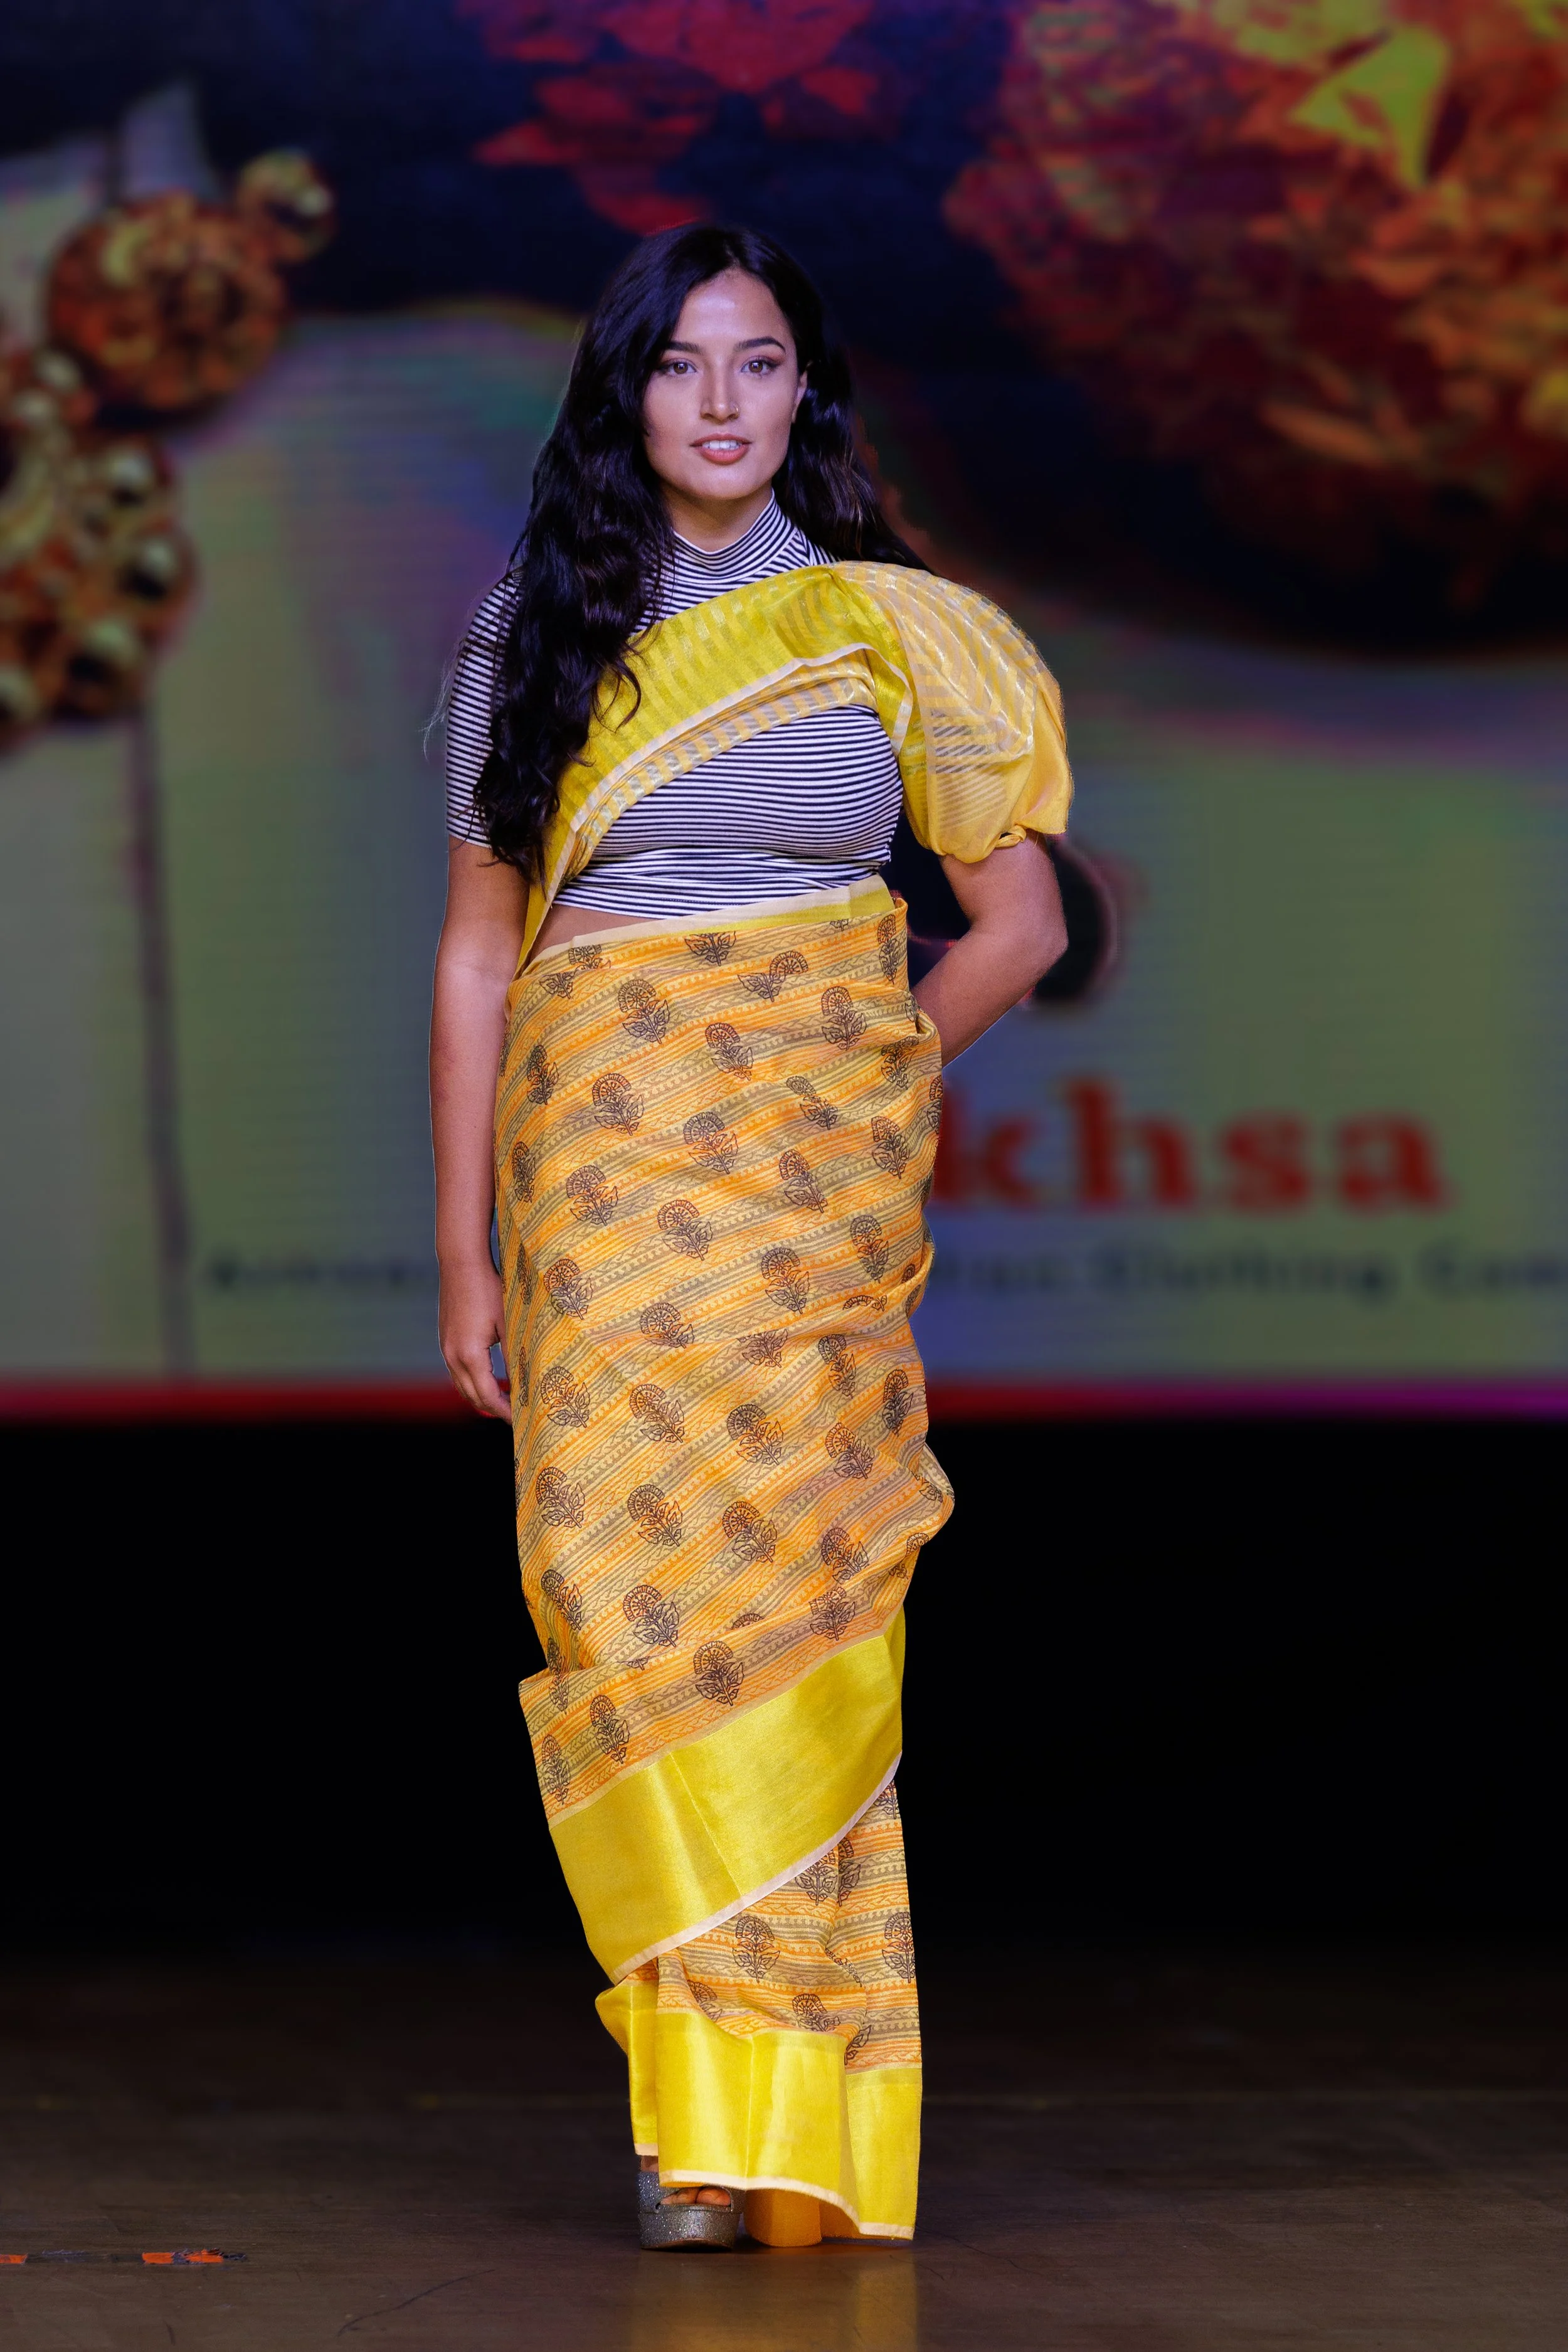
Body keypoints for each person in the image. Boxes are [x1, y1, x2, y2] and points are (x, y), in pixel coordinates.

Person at [430, 224, 1070, 2250]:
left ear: (808, 392)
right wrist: (464, 1258)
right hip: (601, 1189)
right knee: (631, 1620)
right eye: (682, 364)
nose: (721, 402)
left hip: (805, 1196)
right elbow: (473, 968)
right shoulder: (534, 632)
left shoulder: (894, 630)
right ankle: (688, 2101)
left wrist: (859, 1063)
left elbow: (1019, 923)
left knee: (792, 1613)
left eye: (761, 362)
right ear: (626, 393)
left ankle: (771, 2130)